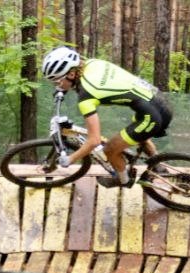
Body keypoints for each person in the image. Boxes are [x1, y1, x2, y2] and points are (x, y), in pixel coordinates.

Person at [41, 46, 173, 189]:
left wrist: (71, 159)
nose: (57, 85)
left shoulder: (86, 97)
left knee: (109, 150)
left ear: (72, 74)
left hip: (151, 115)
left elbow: (94, 141)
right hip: (159, 102)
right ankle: (158, 166)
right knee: (140, 136)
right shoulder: (91, 63)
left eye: (57, 82)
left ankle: (123, 180)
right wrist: (63, 88)